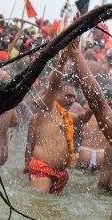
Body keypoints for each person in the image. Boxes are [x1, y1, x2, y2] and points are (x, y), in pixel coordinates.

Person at [24, 52, 92, 194]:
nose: (72, 100)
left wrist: (93, 105)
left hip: (60, 173)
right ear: (56, 95)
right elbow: (53, 85)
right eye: (68, 96)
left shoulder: (67, 116)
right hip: (42, 170)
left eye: (74, 97)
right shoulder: (47, 109)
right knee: (38, 208)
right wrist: (61, 63)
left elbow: (82, 119)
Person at [65, 39, 112, 193]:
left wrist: (76, 54)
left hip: (84, 152)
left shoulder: (81, 108)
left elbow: (98, 101)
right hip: (100, 155)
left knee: (88, 188)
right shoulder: (99, 67)